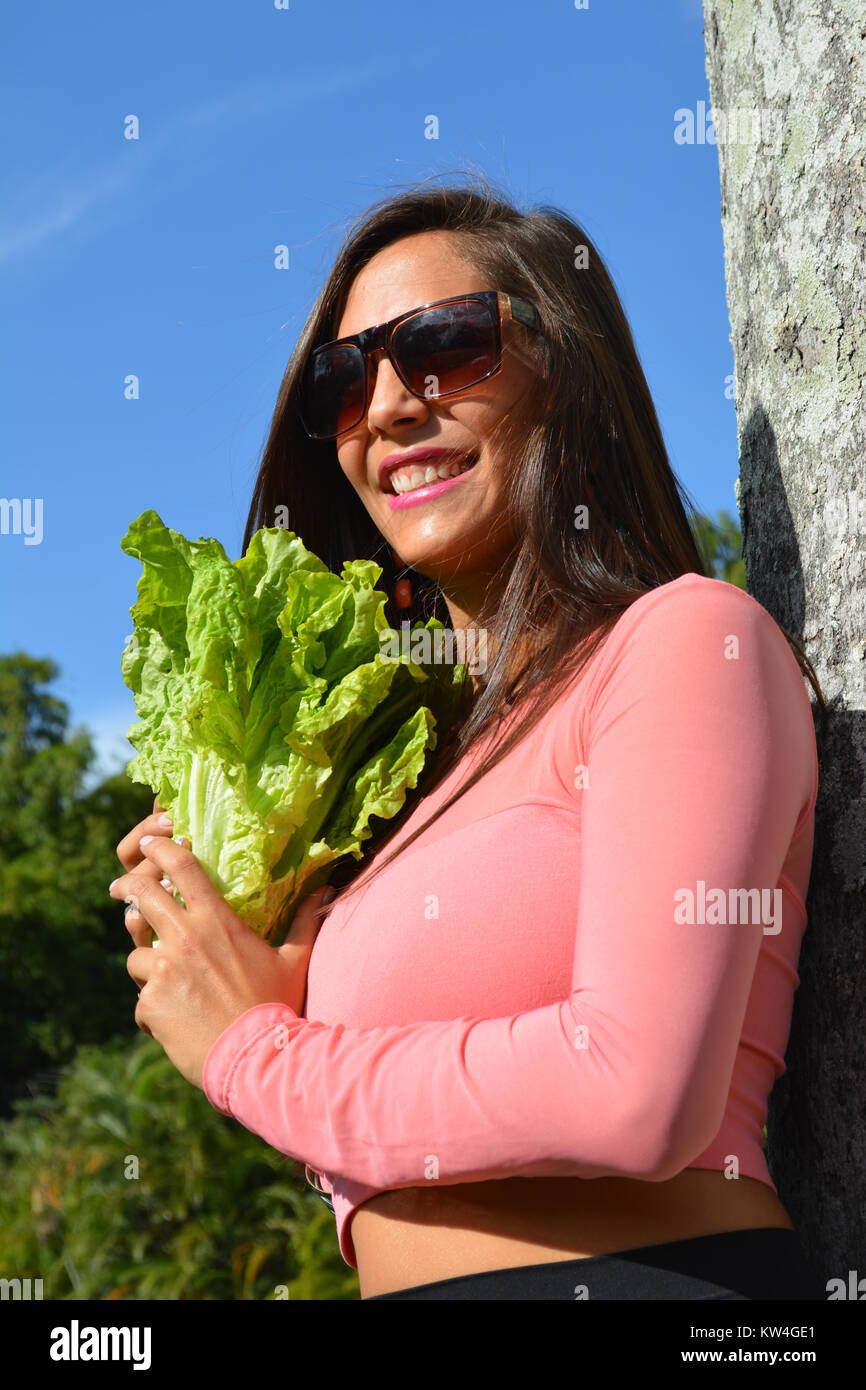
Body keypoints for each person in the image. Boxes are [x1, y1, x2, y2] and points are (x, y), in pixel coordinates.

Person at [112, 176, 828, 1301]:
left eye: (445, 344)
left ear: (567, 370)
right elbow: (377, 1120)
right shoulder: (407, 788)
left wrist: (249, 1048)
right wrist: (248, 965)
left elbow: (634, 1092)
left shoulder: (687, 642)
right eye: (340, 380)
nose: (389, 405)